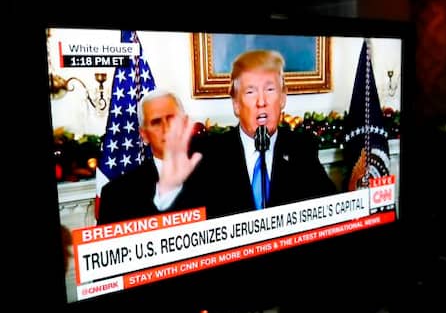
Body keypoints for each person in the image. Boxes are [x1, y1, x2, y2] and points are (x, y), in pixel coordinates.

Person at [160, 49, 336, 218]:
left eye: (270, 90)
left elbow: (331, 209)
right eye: (251, 92)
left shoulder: (301, 148)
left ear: (283, 97)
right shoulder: (208, 154)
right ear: (236, 103)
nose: (261, 102)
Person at [97, 89, 194, 223]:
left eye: (172, 119)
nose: (166, 129)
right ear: (144, 135)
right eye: (156, 122)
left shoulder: (217, 176)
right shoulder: (117, 195)